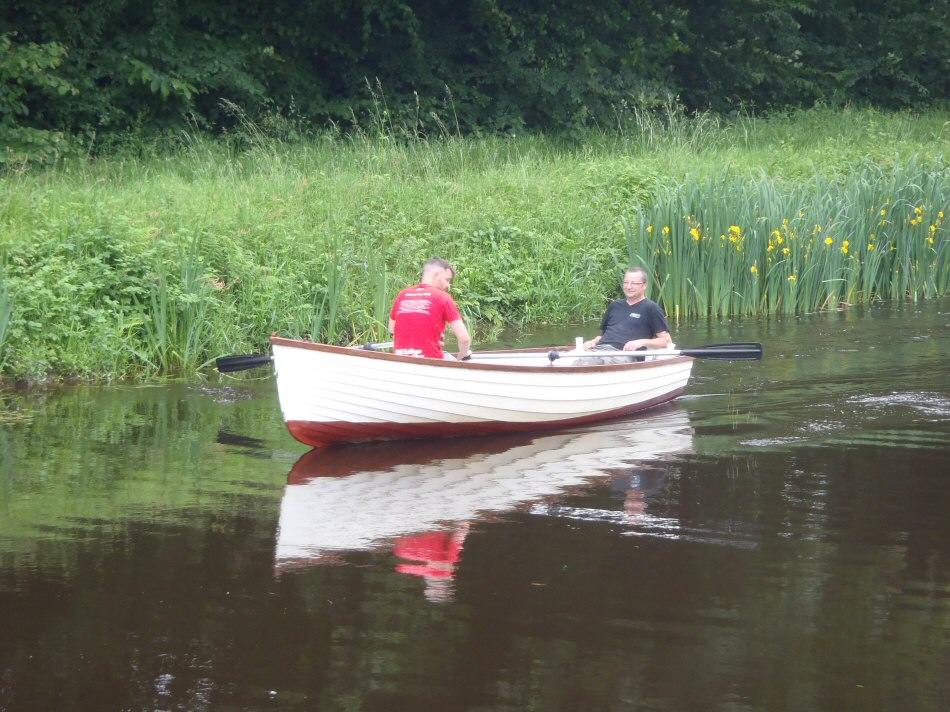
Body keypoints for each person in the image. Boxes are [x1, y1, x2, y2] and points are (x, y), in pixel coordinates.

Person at [582, 267, 672, 363]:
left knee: (588, 364)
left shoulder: (651, 308)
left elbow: (666, 341)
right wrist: (593, 341)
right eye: (626, 282)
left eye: (634, 283)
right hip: (600, 349)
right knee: (575, 361)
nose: (629, 287)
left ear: (644, 285)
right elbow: (604, 336)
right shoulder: (614, 305)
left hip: (624, 354)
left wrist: (641, 342)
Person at [389, 256, 472, 360]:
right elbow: (464, 339)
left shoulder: (402, 295)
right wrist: (462, 356)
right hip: (431, 361)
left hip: (400, 359)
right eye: (447, 280)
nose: (448, 285)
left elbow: (392, 329)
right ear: (436, 275)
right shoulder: (443, 298)